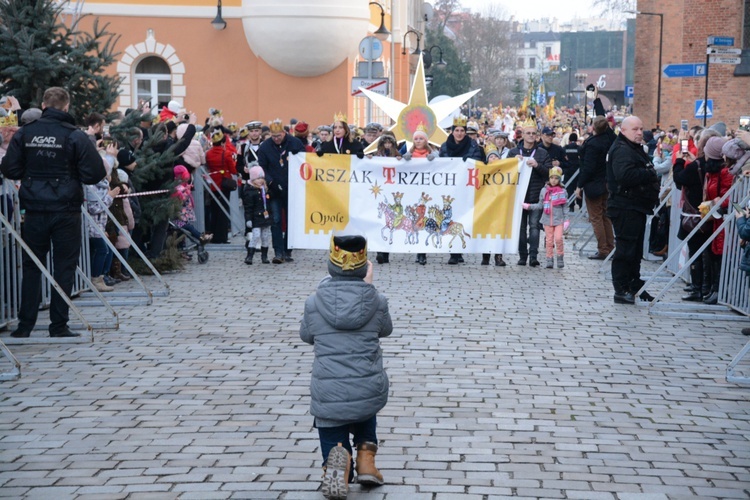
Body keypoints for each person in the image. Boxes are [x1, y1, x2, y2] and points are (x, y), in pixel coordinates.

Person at [1, 87, 107, 338]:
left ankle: (25, 325)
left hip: (34, 209)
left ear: (43, 104)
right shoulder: (75, 136)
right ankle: (58, 324)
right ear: (67, 107)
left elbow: (11, 169)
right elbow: (95, 173)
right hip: (66, 209)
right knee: (65, 267)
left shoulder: (25, 133)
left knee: (31, 266)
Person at [300, 234, 392, 499]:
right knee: (364, 406)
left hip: (329, 387)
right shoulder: (377, 301)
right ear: (364, 267)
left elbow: (306, 336)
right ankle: (366, 462)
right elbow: (386, 329)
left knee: (330, 419)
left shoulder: (314, 302)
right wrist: (369, 289)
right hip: (366, 384)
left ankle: (336, 466)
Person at [606, 116, 660, 304]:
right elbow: (625, 175)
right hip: (624, 206)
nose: (639, 133)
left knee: (635, 251)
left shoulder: (632, 148)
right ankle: (621, 289)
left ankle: (633, 284)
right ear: (623, 130)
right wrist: (649, 173)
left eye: (641, 129)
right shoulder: (622, 150)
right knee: (626, 250)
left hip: (635, 206)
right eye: (635, 129)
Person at [257, 119, 305, 263]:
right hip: (274, 188)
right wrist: (270, 181)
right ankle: (278, 252)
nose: (276, 139)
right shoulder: (265, 147)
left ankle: (287, 250)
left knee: (291, 220)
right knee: (276, 220)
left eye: (279, 136)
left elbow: (305, 162)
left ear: (284, 133)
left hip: (292, 187)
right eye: (273, 136)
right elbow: (262, 167)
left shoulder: (295, 143)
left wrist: (299, 156)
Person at [439, 115, 484, 265]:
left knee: (462, 219)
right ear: (452, 132)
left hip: (466, 188)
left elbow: (479, 161)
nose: (459, 133)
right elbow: (441, 164)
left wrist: (470, 162)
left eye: (462, 130)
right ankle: (454, 252)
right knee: (452, 218)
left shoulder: (472, 146)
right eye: (457, 130)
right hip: (450, 189)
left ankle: (460, 248)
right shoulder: (445, 146)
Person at [508, 126, 552, 267]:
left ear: (537, 136)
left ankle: (533, 255)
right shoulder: (513, 152)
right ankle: (523, 256)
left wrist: (538, 165)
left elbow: (549, 173)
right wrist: (513, 162)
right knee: (520, 228)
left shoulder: (542, 153)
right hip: (519, 196)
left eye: (533, 133)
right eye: (528, 133)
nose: (531, 135)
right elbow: (504, 172)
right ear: (523, 135)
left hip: (535, 196)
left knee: (534, 227)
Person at [698, 136, 733, 305]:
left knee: (719, 255)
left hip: (723, 219)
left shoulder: (725, 173)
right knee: (712, 254)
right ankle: (712, 288)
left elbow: (730, 196)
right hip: (714, 218)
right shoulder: (710, 172)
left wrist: (716, 202)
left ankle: (718, 290)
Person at [576, 116, 616, 260]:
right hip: (606, 183)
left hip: (594, 184)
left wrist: (579, 185)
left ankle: (603, 249)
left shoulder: (593, 144)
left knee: (596, 217)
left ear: (593, 127)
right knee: (605, 216)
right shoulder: (610, 139)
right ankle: (610, 247)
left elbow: (588, 168)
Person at [524, 166, 567, 268]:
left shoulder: (562, 191)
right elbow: (540, 205)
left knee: (558, 239)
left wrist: (566, 219)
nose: (553, 180)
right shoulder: (544, 190)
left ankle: (560, 256)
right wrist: (529, 206)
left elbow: (565, 206)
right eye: (552, 178)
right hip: (547, 220)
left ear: (559, 179)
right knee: (549, 240)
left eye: (556, 178)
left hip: (558, 220)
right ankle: (549, 258)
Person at [205, 128, 237, 244]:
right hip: (224, 184)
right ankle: (222, 237)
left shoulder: (208, 154)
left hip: (213, 184)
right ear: (223, 142)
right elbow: (233, 170)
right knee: (223, 211)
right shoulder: (226, 153)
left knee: (214, 210)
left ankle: (213, 235)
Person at [373, 132, 401, 265]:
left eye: (390, 143)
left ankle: (386, 254)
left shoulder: (397, 155)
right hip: (379, 190)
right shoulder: (377, 155)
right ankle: (379, 251)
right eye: (385, 143)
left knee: (389, 222)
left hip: (392, 191)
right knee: (380, 222)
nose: (388, 145)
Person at [241, 165, 273, 265]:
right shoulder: (250, 191)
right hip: (255, 217)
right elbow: (248, 207)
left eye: (262, 178)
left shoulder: (265, 189)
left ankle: (264, 256)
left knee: (265, 236)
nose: (261, 181)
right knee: (256, 235)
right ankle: (249, 256)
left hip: (265, 217)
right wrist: (248, 219)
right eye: (258, 178)